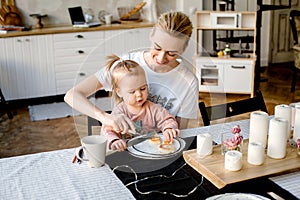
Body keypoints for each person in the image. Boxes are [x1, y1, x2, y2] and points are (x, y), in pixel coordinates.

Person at [64, 11, 199, 134]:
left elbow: (181, 131)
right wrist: (105, 117)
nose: (161, 58)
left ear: (183, 49)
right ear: (151, 34)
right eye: (157, 48)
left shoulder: (188, 81)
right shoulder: (126, 65)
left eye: (171, 53)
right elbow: (72, 95)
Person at [102, 55, 179, 151]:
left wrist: (169, 129)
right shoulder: (119, 112)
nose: (139, 94)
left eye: (143, 88)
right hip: (127, 153)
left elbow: (168, 120)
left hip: (152, 152)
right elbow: (107, 130)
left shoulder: (153, 109)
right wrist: (115, 140)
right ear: (119, 92)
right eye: (132, 92)